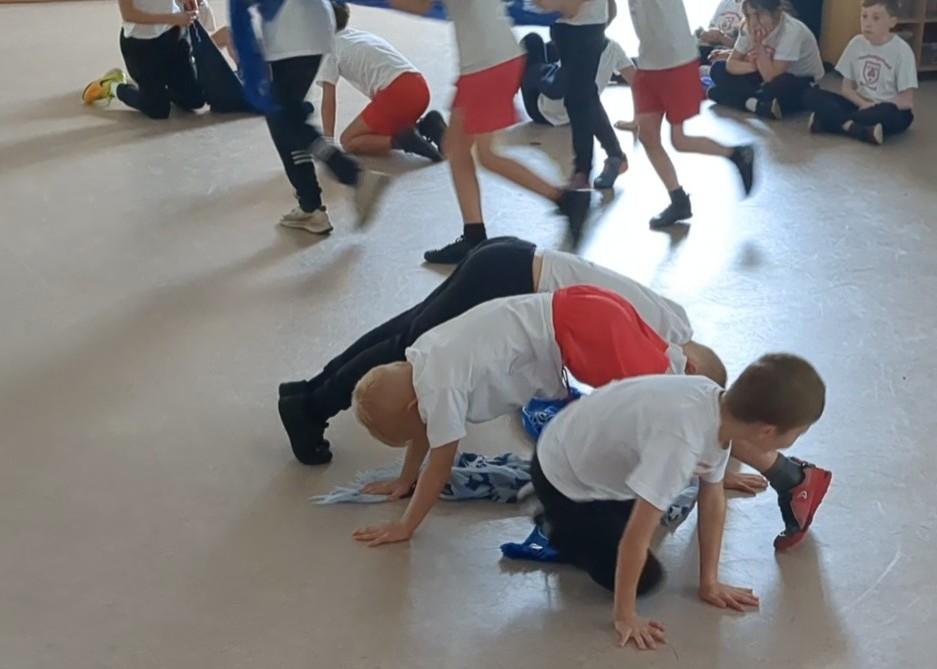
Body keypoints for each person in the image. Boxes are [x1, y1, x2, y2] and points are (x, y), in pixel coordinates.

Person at [349, 285, 727, 546]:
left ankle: (719, 450)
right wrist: (405, 478)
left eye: (413, 428)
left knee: (665, 393)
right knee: (665, 376)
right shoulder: (423, 356)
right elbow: (423, 429)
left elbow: (440, 463)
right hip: (578, 305)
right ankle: (716, 445)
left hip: (579, 329)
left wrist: (405, 526)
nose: (425, 430)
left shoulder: (439, 390)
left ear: (413, 408)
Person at [532, 353, 825, 649]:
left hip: (582, 443)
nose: (797, 439)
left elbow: (712, 497)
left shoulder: (717, 404)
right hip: (563, 479)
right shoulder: (682, 444)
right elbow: (636, 538)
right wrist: (625, 616)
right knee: (645, 577)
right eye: (799, 433)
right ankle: (558, 527)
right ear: (766, 431)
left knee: (646, 513)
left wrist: (709, 583)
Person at [389, 0, 591, 264]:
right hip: (488, 60)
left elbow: (418, 6)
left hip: (487, 64)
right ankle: (474, 234)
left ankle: (565, 200)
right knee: (456, 148)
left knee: (487, 155)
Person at [251, 0, 391, 234]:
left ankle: (350, 176)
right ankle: (310, 205)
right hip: (315, 28)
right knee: (286, 117)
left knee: (283, 118)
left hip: (289, 34)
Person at [625, 0, 755, 228]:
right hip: (648, 62)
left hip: (676, 61)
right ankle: (679, 201)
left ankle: (737, 154)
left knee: (679, 140)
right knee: (648, 136)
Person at [317, 2, 447, 161]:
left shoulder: (330, 50)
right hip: (419, 87)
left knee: (349, 140)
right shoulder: (359, 36)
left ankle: (403, 141)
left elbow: (328, 101)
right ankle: (427, 126)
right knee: (380, 126)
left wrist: (328, 142)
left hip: (397, 94)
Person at [539, 0, 630, 190]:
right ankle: (613, 156)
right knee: (583, 95)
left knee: (578, 98)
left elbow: (575, 9)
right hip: (562, 22)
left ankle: (583, 169)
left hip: (584, 23)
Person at [803, 0, 916, 145]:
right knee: (811, 94)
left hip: (885, 107)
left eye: (876, 18)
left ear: (892, 22)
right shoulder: (856, 43)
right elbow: (846, 89)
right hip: (859, 103)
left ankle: (829, 122)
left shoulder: (902, 51)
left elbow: (906, 101)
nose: (867, 23)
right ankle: (857, 129)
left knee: (890, 114)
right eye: (864, 16)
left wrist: (873, 106)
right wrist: (863, 103)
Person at [519, 32, 637, 163]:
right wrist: (636, 120)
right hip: (578, 115)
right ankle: (613, 74)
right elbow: (637, 82)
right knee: (551, 49)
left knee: (533, 42)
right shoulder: (614, 48)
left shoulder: (571, 41)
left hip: (542, 112)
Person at [81, 0, 205, 119]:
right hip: (140, 45)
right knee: (158, 109)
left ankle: (158, 86)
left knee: (195, 99)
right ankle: (112, 86)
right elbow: (129, 14)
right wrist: (172, 18)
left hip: (172, 34)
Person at [708, 0, 824, 120]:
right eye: (749, 15)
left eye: (758, 14)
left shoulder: (791, 31)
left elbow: (771, 78)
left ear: (775, 12)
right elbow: (731, 64)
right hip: (765, 72)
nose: (753, 22)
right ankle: (757, 104)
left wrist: (758, 44)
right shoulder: (747, 26)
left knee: (778, 85)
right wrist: (753, 66)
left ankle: (742, 99)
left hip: (798, 79)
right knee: (718, 69)